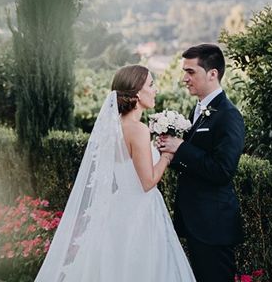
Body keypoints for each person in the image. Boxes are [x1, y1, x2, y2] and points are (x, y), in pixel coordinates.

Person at [34, 65, 195, 282]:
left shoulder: (114, 127)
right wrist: (166, 156)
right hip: (142, 212)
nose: (156, 90)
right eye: (151, 85)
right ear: (137, 93)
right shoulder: (138, 130)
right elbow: (147, 182)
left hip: (119, 209)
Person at [159, 44, 244, 282]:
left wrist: (181, 148)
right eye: (184, 72)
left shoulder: (229, 115)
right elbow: (192, 163)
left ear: (212, 73)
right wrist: (169, 153)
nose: (184, 79)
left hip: (213, 226)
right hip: (194, 222)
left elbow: (223, 170)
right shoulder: (196, 110)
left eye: (191, 72)